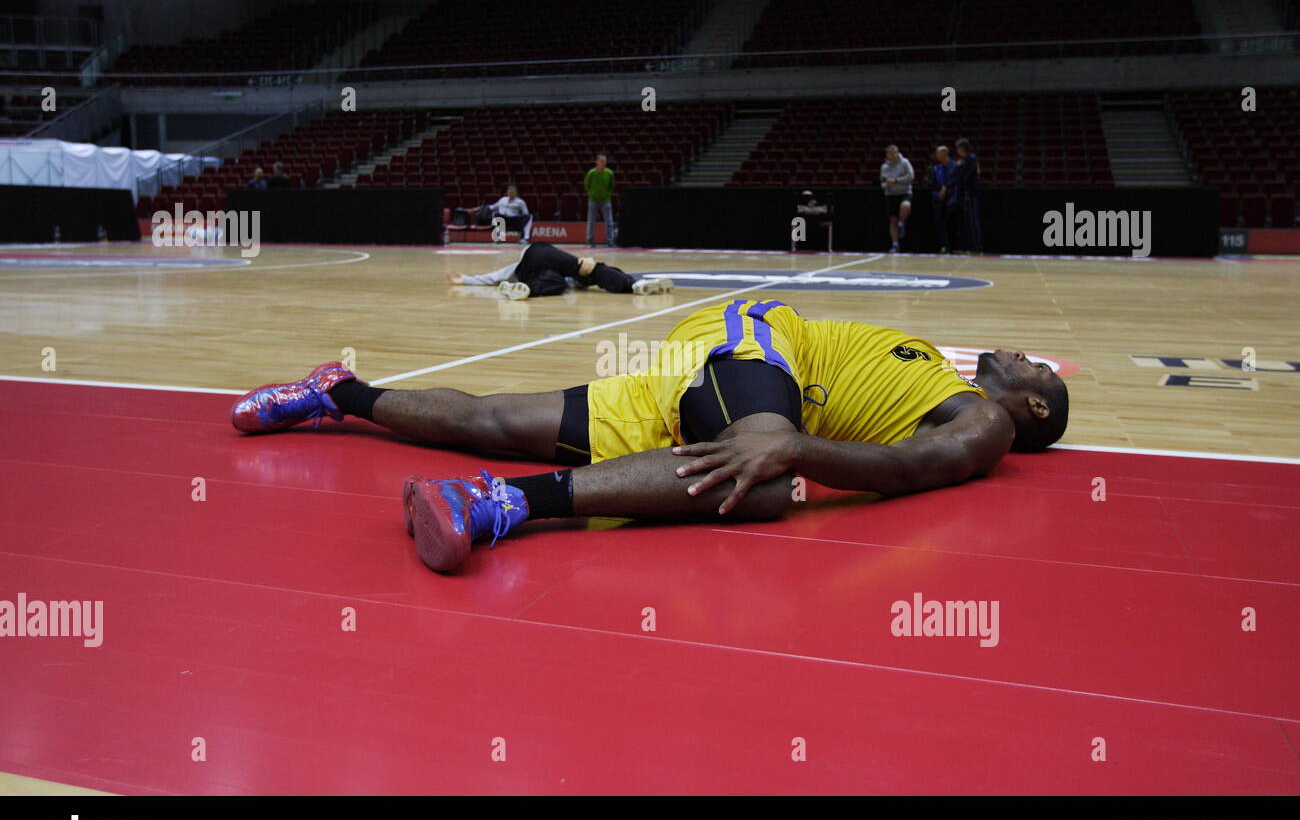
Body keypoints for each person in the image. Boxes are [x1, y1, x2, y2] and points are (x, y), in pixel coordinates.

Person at [231, 301, 1069, 573]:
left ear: (1034, 408)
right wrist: (786, 445)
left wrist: (797, 444)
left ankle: (337, 394)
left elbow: (912, 469)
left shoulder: (986, 424)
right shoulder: (943, 378)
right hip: (754, 348)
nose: (1017, 356)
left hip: (710, 383)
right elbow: (793, 445)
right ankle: (499, 503)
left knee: (494, 419)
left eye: (1033, 367)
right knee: (765, 484)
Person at [446, 240, 673, 300]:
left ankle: (635, 286)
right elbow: (492, 278)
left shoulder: (565, 279)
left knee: (559, 282)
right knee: (586, 268)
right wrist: (466, 279)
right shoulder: (515, 267)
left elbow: (492, 279)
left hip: (543, 277)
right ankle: (632, 283)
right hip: (534, 256)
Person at [949, 138, 983, 255]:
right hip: (964, 195)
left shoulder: (971, 159)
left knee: (973, 221)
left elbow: (966, 177)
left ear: (962, 149)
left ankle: (977, 248)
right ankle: (968, 247)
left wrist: (960, 168)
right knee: (966, 222)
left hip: (971, 194)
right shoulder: (963, 160)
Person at [880, 145, 914, 253]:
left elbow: (911, 176)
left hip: (904, 192)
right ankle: (895, 244)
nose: (894, 155)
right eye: (891, 153)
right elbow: (882, 181)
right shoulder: (884, 167)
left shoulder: (905, 162)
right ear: (887, 154)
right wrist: (885, 185)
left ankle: (901, 224)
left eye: (895, 152)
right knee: (892, 220)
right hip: (891, 194)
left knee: (905, 206)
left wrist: (896, 180)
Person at [584, 154, 616, 247]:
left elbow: (611, 186)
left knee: (609, 222)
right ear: (597, 162)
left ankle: (610, 241)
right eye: (601, 162)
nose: (603, 163)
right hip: (593, 200)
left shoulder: (609, 173)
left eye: (605, 162)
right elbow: (587, 185)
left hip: (606, 200)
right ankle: (589, 241)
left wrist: (607, 194)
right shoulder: (591, 173)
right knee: (591, 222)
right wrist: (592, 193)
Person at [928, 146, 955, 253]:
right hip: (938, 199)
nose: (936, 156)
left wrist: (946, 189)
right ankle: (944, 246)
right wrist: (938, 194)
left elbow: (955, 181)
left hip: (952, 198)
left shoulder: (954, 166)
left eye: (938, 153)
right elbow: (934, 184)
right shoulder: (936, 168)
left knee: (951, 222)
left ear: (945, 153)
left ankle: (954, 246)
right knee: (939, 222)